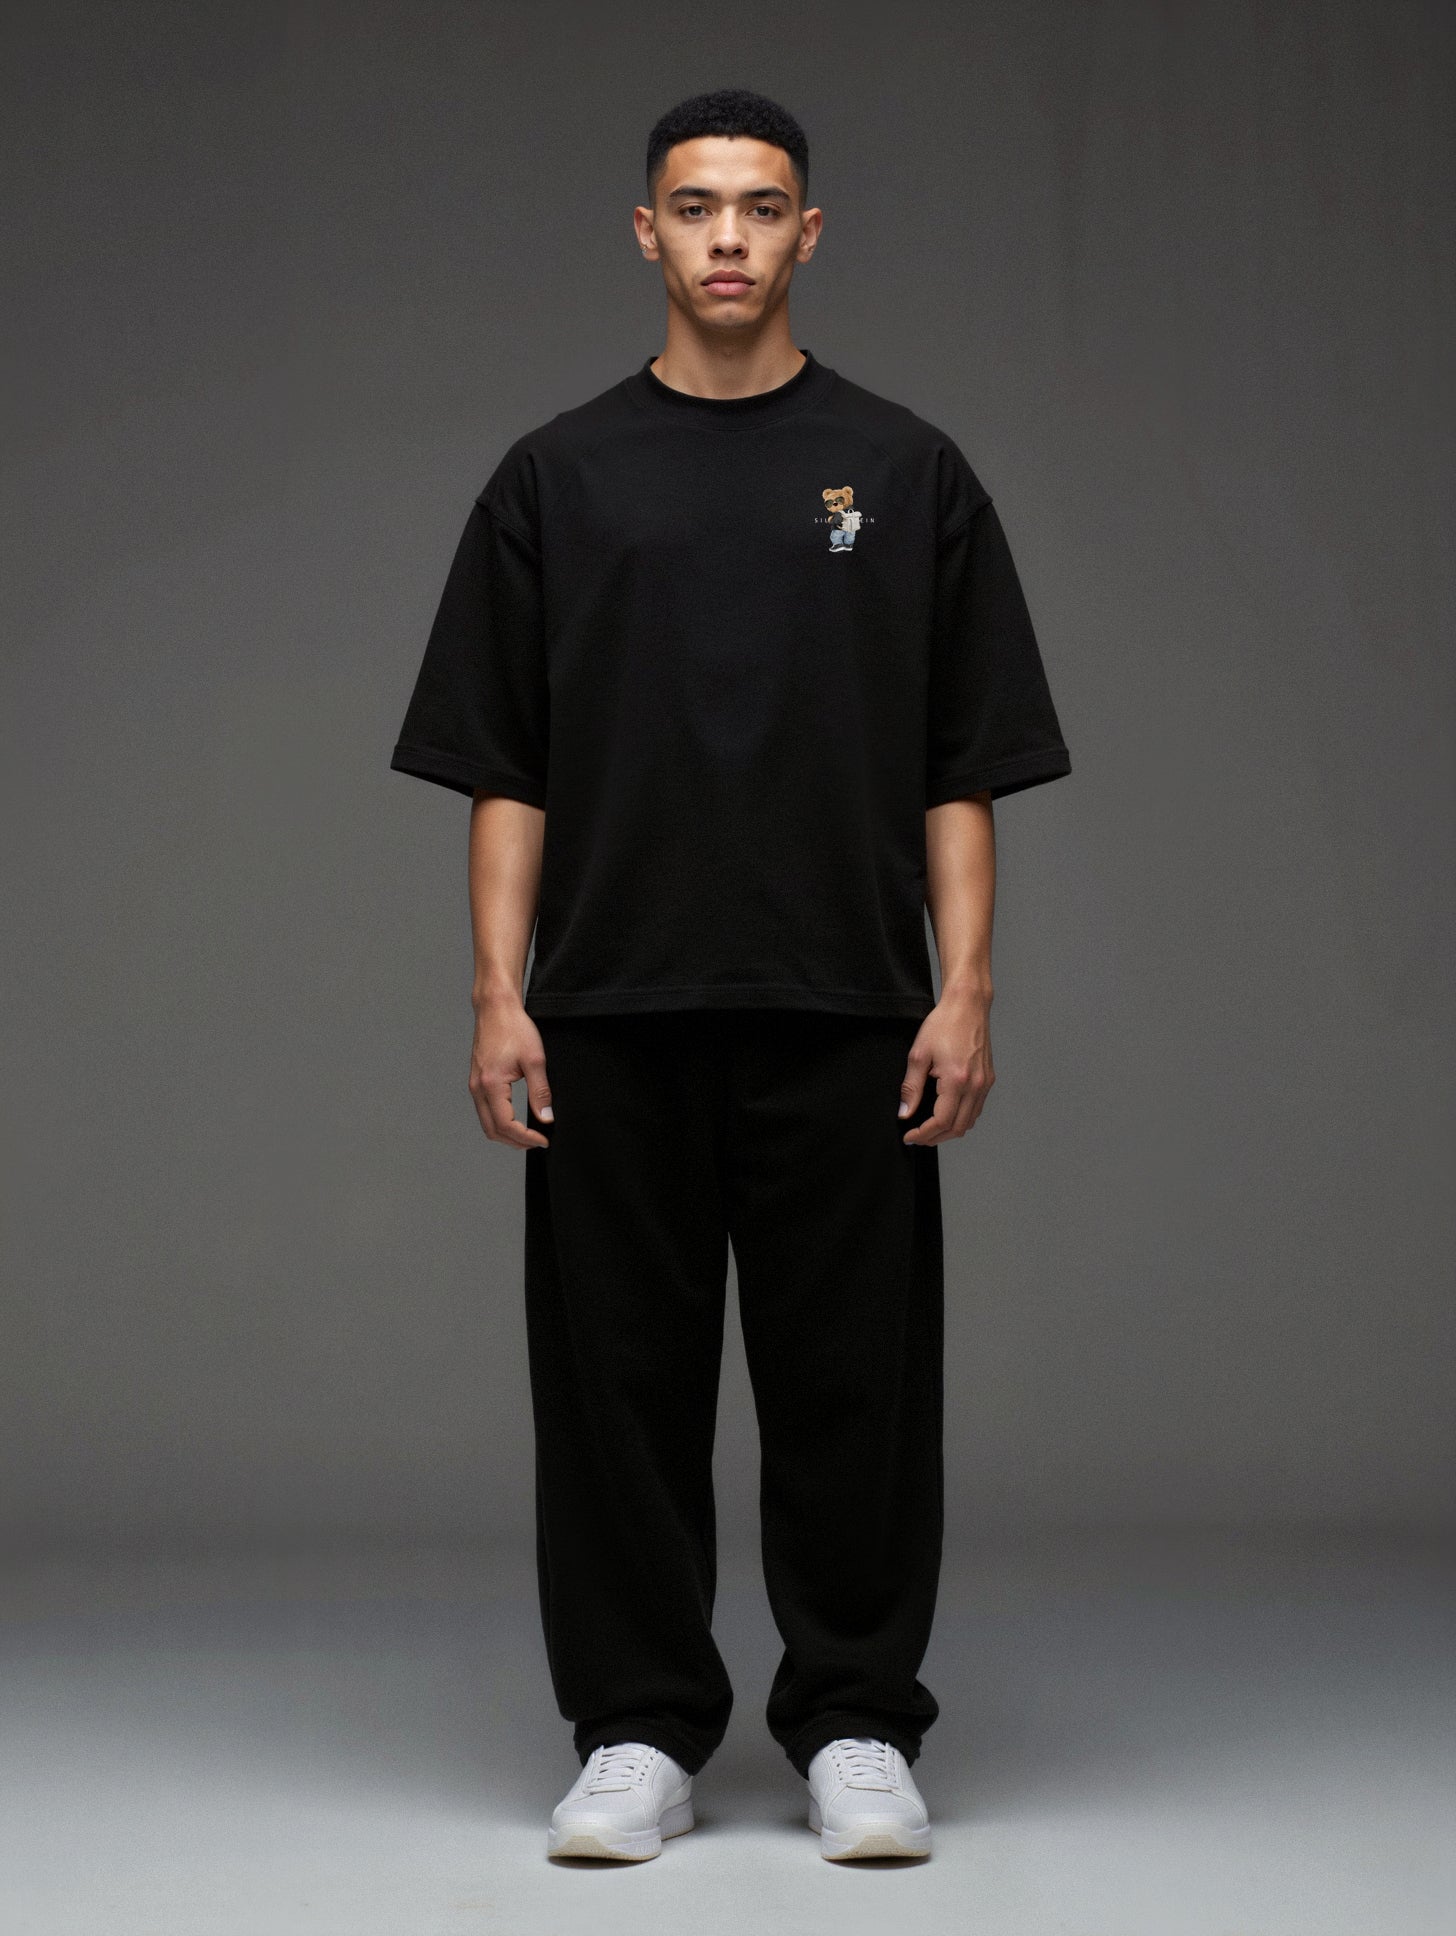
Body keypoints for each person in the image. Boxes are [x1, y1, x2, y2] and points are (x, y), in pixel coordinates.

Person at [389, 87, 1071, 1865]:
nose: (727, 239)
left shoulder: (906, 472)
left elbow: (962, 763)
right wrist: (496, 993)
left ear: (807, 235)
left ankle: (857, 1725)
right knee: (616, 1392)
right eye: (695, 207)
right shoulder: (557, 478)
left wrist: (967, 989)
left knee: (859, 1388)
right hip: (610, 1007)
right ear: (647, 232)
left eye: (761, 209)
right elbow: (506, 766)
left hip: (849, 1007)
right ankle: (637, 1731)